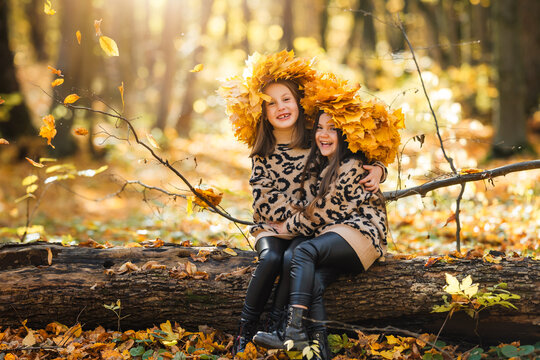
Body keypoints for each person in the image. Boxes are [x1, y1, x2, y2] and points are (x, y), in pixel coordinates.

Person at [253, 109, 392, 359]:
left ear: (345, 135)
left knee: (304, 251)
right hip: (337, 235)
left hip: (362, 233)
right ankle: (320, 351)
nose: (323, 135)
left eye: (333, 129)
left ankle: (292, 330)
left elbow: (323, 213)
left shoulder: (352, 164)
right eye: (319, 128)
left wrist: (287, 228)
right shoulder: (326, 164)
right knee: (313, 282)